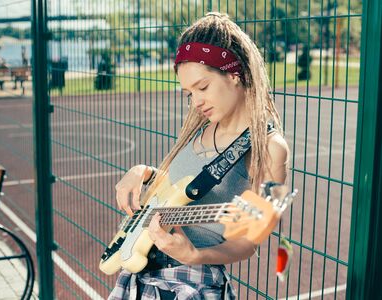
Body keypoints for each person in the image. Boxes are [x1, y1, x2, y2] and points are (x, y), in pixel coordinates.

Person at [109, 12, 289, 300]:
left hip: (188, 285)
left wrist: (194, 254)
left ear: (235, 73)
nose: (197, 102)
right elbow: (176, 191)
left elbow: (248, 240)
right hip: (140, 281)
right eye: (188, 93)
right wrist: (142, 172)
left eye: (202, 87)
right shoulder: (202, 129)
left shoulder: (268, 147)